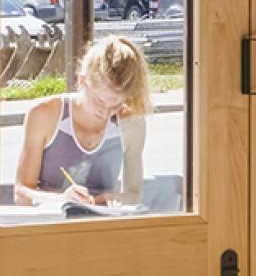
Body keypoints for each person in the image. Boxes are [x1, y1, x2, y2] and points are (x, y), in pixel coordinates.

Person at [13, 35, 153, 206]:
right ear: (82, 81)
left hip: (101, 224)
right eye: (99, 100)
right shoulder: (44, 114)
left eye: (116, 104)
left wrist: (111, 199)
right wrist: (62, 200)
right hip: (48, 224)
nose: (105, 112)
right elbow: (21, 193)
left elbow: (133, 194)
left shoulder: (132, 123)